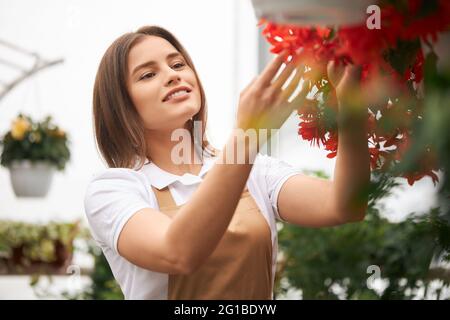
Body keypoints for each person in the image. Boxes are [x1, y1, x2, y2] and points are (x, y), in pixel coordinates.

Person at [84, 25, 370, 300]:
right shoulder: (113, 190)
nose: (172, 76)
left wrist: (350, 100)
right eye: (147, 75)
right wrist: (247, 136)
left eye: (178, 65)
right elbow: (177, 252)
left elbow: (345, 205)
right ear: (120, 105)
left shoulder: (255, 169)